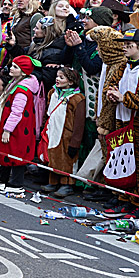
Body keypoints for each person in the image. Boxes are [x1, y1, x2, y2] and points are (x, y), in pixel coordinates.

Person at [103, 29, 139, 214]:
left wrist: (124, 98)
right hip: (121, 121)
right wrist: (111, 94)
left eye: (129, 46)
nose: (124, 48)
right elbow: (110, 84)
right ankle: (123, 198)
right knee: (122, 160)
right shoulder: (123, 66)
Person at [0, 56, 43, 194]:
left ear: (23, 72)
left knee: (17, 153)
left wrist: (7, 130)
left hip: (18, 128)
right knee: (7, 150)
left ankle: (16, 183)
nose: (11, 68)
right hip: (13, 126)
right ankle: (2, 177)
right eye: (12, 65)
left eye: (16, 67)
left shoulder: (22, 90)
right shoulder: (15, 82)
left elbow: (17, 112)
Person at [39, 67, 85, 197]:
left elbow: (79, 123)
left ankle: (67, 184)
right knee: (53, 155)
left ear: (70, 82)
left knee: (66, 160)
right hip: (53, 130)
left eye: (61, 77)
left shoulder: (77, 98)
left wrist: (75, 142)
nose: (57, 79)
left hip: (67, 135)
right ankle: (52, 182)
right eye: (57, 76)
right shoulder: (53, 92)